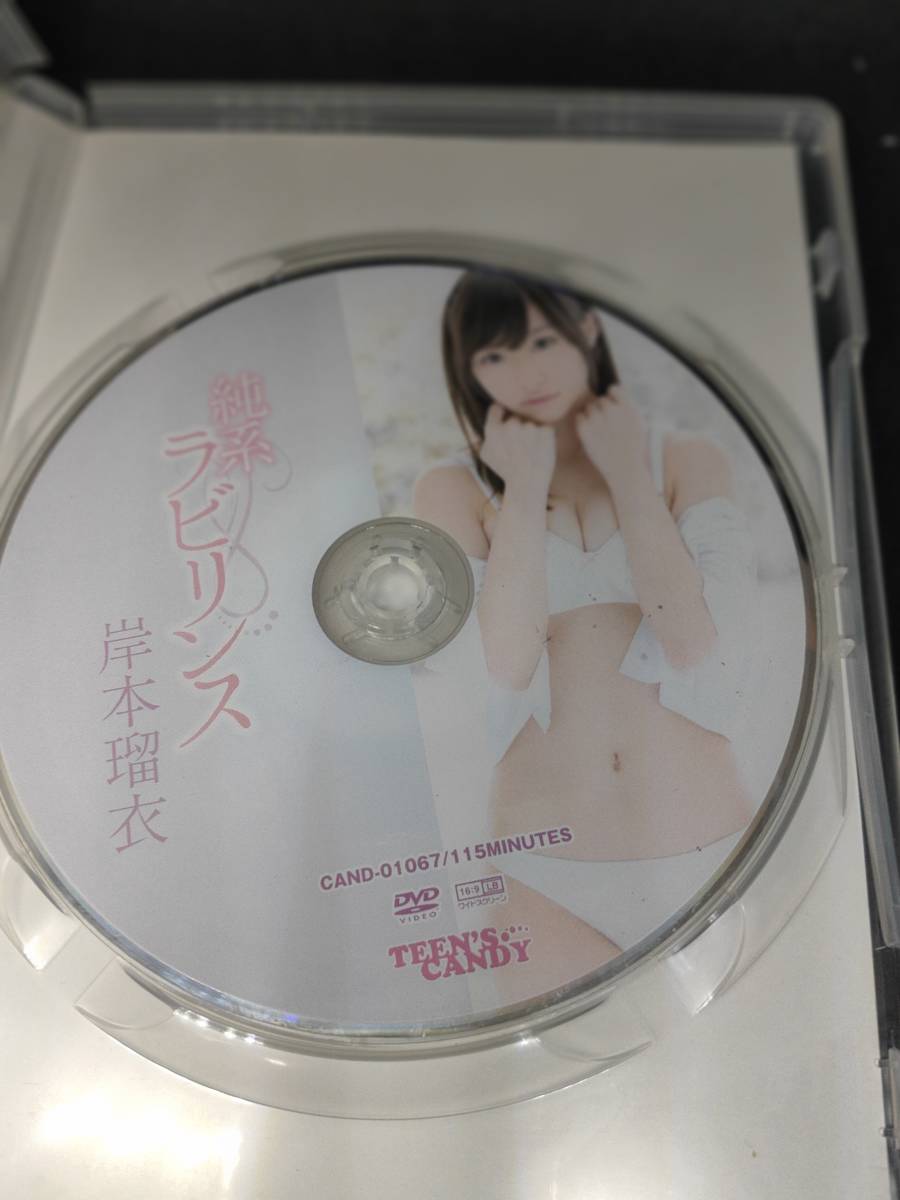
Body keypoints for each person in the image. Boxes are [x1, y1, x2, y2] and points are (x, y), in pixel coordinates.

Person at [414, 270, 758, 997]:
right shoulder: (453, 489)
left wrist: (629, 475)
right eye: (494, 356)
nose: (526, 373)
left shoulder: (684, 459)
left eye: (543, 341)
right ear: (468, 369)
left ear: (589, 331)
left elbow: (692, 642)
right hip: (545, 874)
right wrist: (523, 489)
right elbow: (504, 665)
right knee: (576, 1064)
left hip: (709, 847)